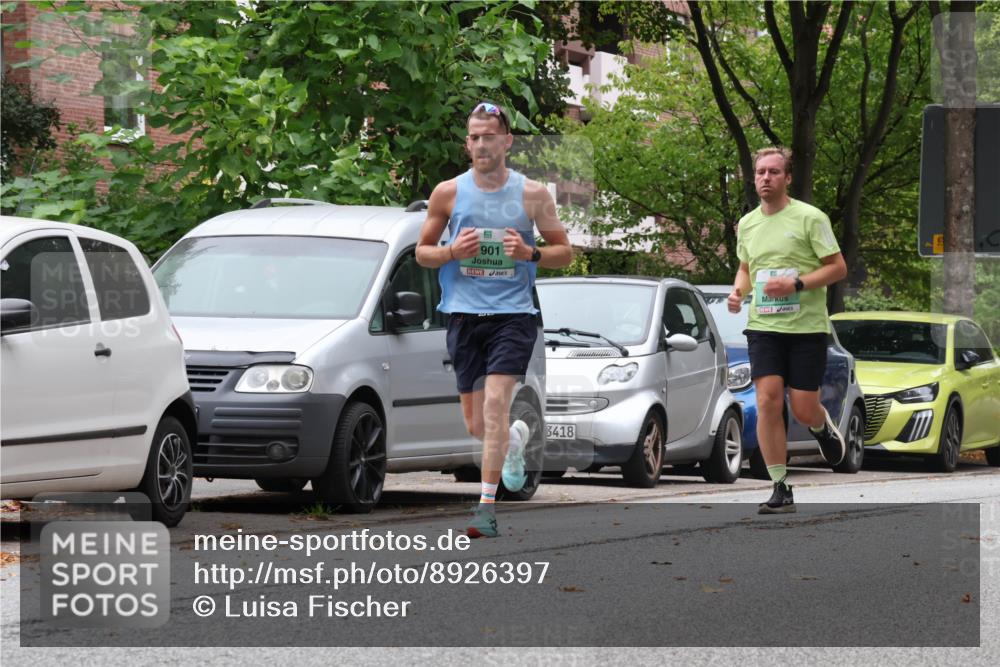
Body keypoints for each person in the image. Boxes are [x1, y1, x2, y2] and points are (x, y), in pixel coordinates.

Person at [416, 101, 572, 537]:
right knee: (478, 425)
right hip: (464, 317)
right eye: (475, 137)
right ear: (467, 144)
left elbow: (564, 252)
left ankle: (485, 509)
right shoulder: (448, 193)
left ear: (507, 141)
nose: (482, 144)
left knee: (495, 405)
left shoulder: (533, 194)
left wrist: (530, 252)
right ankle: (515, 440)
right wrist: (451, 251)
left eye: (489, 136)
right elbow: (422, 253)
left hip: (513, 316)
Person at [728, 147, 848, 514]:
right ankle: (780, 486)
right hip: (764, 326)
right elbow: (746, 268)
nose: (765, 178)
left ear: (788, 178)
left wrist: (796, 284)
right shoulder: (748, 224)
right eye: (760, 172)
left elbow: (838, 267)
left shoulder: (811, 218)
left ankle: (821, 426)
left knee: (803, 407)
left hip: (806, 328)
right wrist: (737, 292)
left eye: (774, 172)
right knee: (767, 400)